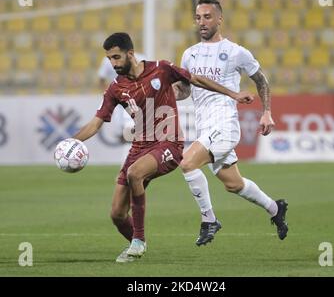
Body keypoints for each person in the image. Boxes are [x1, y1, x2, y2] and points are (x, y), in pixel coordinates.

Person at [73, 32, 254, 262]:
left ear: (131, 53)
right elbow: (96, 122)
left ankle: (138, 241)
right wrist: (73, 141)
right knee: (117, 214)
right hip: (140, 147)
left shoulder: (161, 69)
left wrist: (233, 94)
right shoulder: (116, 88)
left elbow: (196, 79)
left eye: (117, 57)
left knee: (134, 173)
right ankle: (137, 246)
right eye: (110, 59)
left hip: (169, 143)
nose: (114, 63)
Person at [173, 0, 288, 246]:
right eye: (198, 17)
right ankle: (275, 209)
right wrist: (166, 93)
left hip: (224, 126)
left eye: (207, 16)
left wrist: (266, 111)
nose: (201, 22)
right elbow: (184, 90)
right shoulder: (189, 54)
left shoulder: (236, 52)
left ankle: (209, 220)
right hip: (206, 127)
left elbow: (261, 80)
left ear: (219, 19)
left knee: (187, 163)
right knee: (233, 184)